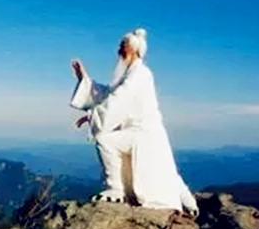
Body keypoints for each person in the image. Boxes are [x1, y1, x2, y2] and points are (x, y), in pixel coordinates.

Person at [70, 28, 198, 215]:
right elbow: (110, 94)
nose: (119, 50)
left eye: (122, 46)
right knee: (165, 169)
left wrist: (92, 116)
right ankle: (190, 204)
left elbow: (118, 100)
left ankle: (116, 190)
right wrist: (85, 80)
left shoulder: (139, 74)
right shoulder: (131, 74)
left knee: (105, 140)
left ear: (133, 49)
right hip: (144, 134)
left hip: (143, 134)